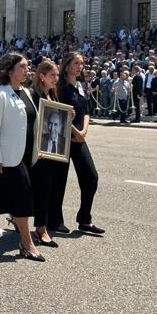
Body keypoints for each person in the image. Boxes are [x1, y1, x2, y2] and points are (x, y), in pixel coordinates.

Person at [0, 52, 44, 262]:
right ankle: (27, 243)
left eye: (28, 66)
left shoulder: (27, 93)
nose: (27, 70)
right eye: (22, 66)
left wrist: (36, 148)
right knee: (22, 199)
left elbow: (32, 123)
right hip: (8, 158)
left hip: (26, 155)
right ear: (10, 70)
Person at [50, 52, 105, 236]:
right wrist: (75, 131)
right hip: (62, 138)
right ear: (66, 66)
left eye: (82, 63)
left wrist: (84, 131)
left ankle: (84, 219)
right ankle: (55, 221)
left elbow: (86, 111)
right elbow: (58, 112)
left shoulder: (81, 85)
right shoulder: (60, 87)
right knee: (58, 181)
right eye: (76, 63)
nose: (80, 66)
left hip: (79, 138)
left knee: (91, 177)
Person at [30, 59, 62, 248]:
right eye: (53, 75)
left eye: (57, 75)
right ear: (42, 76)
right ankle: (41, 229)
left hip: (51, 151)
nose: (56, 79)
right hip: (38, 151)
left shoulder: (52, 95)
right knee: (40, 190)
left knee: (46, 189)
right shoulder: (34, 95)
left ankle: (36, 224)